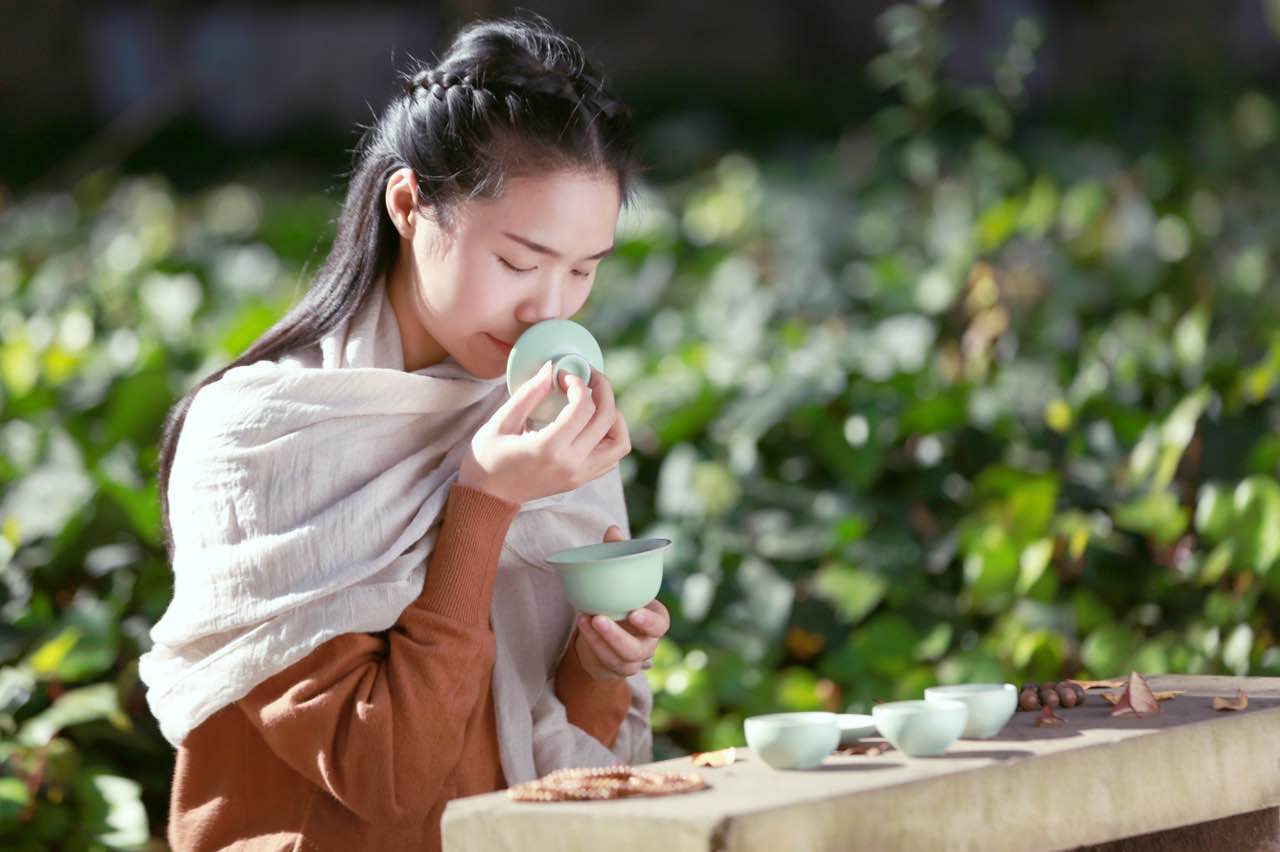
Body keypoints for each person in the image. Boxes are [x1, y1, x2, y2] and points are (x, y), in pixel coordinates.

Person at [138, 16, 669, 851]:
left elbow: (553, 746)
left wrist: (599, 665)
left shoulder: (542, 417)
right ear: (409, 206)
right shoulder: (261, 438)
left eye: (583, 269)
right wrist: (484, 502)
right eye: (521, 264)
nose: (551, 309)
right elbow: (385, 778)